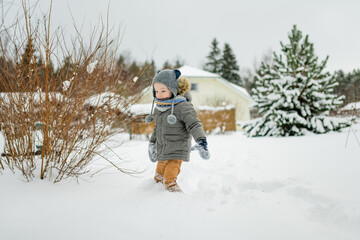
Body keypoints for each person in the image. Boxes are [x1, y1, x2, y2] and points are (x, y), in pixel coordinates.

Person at [145, 69, 210, 192]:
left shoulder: (183, 107)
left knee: (169, 180)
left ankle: (176, 200)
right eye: (156, 91)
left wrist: (201, 140)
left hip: (177, 149)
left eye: (163, 91)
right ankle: (153, 195)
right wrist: (152, 143)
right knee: (158, 177)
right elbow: (157, 128)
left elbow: (194, 124)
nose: (159, 94)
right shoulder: (159, 107)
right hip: (163, 149)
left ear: (173, 89)